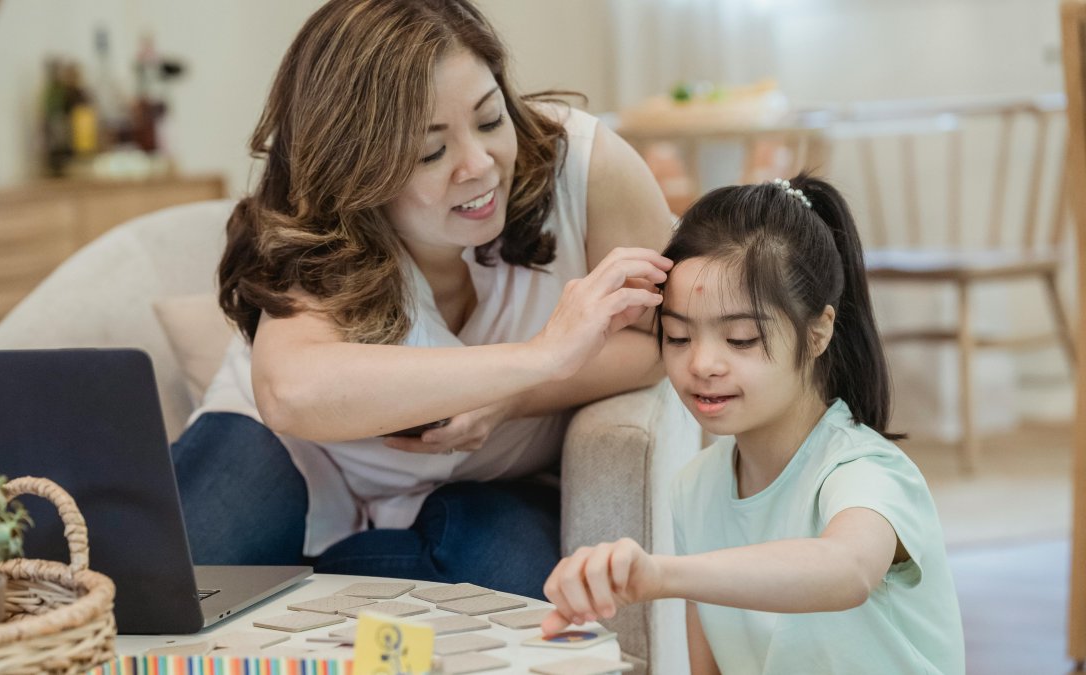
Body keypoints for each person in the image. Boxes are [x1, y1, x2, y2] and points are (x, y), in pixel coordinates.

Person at [169, 0, 675, 600]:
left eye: (490, 121)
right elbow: (290, 393)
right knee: (159, 596)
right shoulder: (320, 228)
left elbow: (670, 339)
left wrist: (511, 402)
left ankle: (318, 582)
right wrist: (530, 361)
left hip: (485, 486)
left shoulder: (587, 170)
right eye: (430, 152)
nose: (480, 166)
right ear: (354, 170)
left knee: (515, 602)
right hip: (296, 458)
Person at [540, 174, 965, 673]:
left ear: (818, 332)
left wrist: (659, 575)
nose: (702, 364)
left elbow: (846, 569)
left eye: (740, 339)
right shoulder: (696, 487)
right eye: (678, 337)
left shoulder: (865, 472)